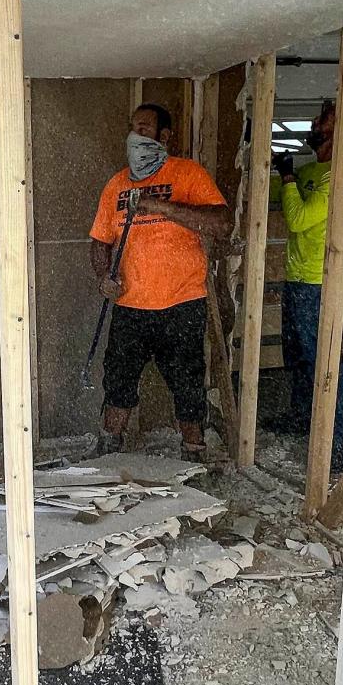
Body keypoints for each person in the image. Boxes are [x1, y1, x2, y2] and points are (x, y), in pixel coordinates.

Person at [89, 103, 230, 458]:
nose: (136, 136)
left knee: (187, 384)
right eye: (133, 129)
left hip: (181, 305)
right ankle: (109, 448)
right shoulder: (116, 184)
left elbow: (222, 225)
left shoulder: (188, 174)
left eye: (145, 128)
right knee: (118, 381)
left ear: (165, 136)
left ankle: (194, 451)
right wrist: (104, 276)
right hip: (130, 308)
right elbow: (99, 241)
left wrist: (163, 208)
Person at [270, 99, 343, 466]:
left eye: (324, 118)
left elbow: (297, 219)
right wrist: (290, 177)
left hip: (318, 282)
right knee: (298, 357)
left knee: (325, 361)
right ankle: (302, 418)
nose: (314, 122)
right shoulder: (314, 169)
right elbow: (292, 210)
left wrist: (288, 177)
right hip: (297, 277)